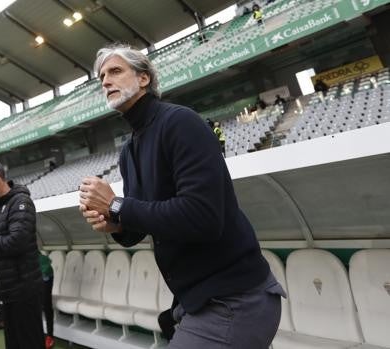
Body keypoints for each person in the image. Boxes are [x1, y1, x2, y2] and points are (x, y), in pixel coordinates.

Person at [79, 44, 285, 348]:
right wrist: (116, 224)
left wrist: (116, 204)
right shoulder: (129, 151)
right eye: (102, 77)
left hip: (236, 299)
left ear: (144, 78)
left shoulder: (180, 122)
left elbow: (202, 217)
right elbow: (143, 220)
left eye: (115, 71)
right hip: (197, 301)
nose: (106, 81)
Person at [0, 161, 44, 349]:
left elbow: (16, 242)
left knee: (29, 341)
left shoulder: (21, 202)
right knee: (13, 342)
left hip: (24, 288)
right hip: (7, 288)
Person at [39, 253, 55, 349]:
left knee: (46, 304)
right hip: (31, 277)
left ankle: (50, 336)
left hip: (45, 275)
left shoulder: (42, 260)